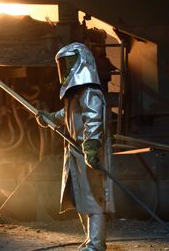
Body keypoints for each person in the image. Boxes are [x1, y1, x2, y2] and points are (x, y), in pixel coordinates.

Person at [36, 42, 113, 251]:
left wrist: (91, 147)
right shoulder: (75, 94)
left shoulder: (90, 92)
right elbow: (67, 116)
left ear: (81, 63)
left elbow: (94, 120)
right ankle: (90, 241)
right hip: (76, 151)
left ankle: (96, 246)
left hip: (89, 151)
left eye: (69, 63)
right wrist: (51, 118)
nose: (66, 68)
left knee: (94, 200)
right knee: (81, 199)